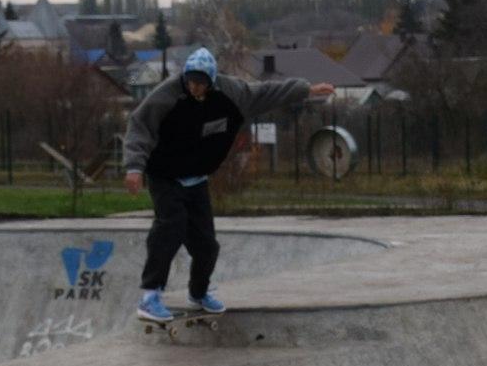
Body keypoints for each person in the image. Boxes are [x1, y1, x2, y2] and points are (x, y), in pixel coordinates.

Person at [121, 47, 330, 321]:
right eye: (191, 82)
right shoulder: (167, 95)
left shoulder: (231, 93)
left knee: (207, 246)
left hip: (197, 180)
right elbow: (139, 126)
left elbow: (265, 93)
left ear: (212, 81)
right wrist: (135, 167)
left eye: (200, 83)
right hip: (165, 176)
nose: (195, 88)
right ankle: (150, 296)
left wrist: (304, 90)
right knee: (170, 226)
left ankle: (198, 293)